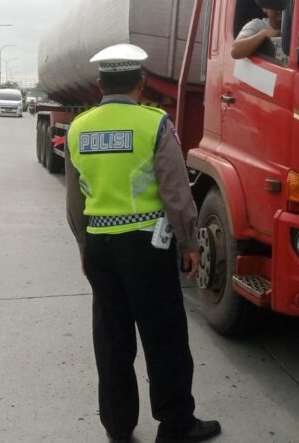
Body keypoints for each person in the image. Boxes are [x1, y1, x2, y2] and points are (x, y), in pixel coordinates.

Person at [65, 43, 221, 443]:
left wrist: (85, 246)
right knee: (164, 336)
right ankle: (176, 425)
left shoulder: (79, 127)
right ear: (141, 82)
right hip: (147, 247)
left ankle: (117, 425)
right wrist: (189, 242)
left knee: (111, 337)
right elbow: (175, 190)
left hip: (101, 244)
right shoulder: (154, 123)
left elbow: (75, 198)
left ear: (100, 84)